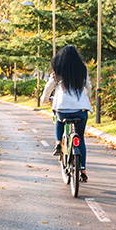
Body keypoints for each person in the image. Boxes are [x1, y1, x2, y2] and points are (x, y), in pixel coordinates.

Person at [41, 45, 93, 182]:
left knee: (59, 120)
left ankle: (59, 143)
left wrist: (44, 99)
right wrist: (88, 97)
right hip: (81, 109)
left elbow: (49, 87)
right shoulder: (82, 69)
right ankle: (82, 169)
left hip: (62, 109)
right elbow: (88, 87)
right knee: (80, 138)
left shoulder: (58, 70)